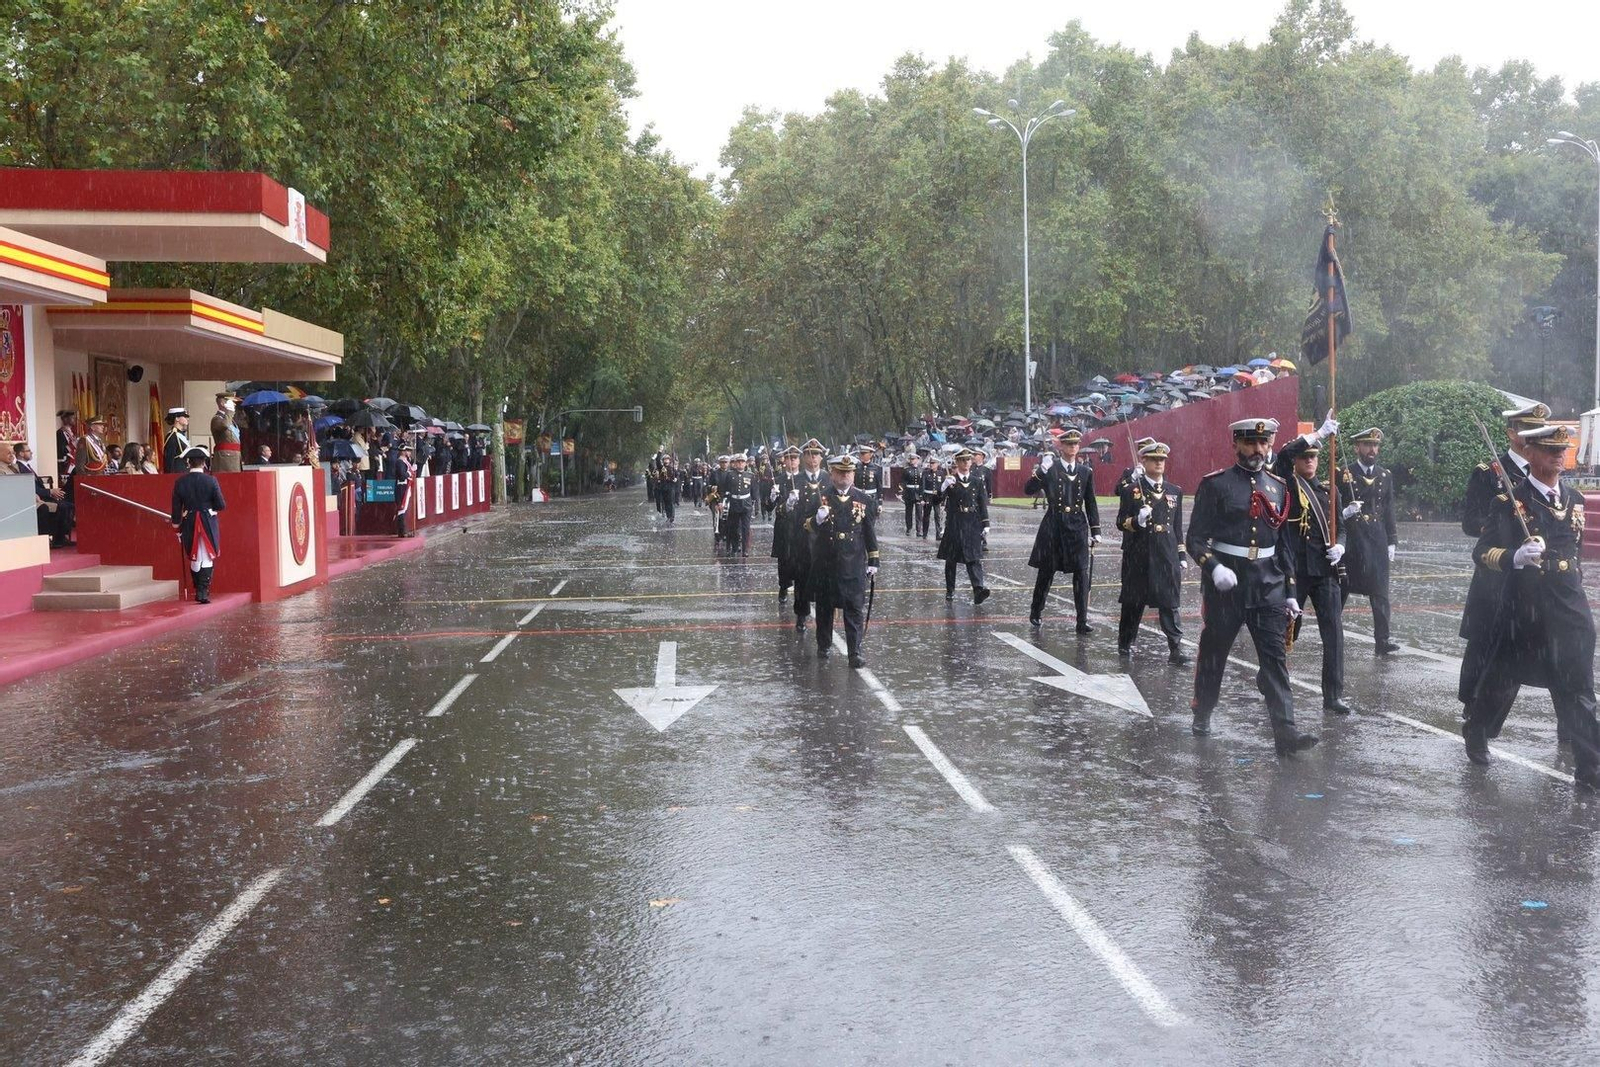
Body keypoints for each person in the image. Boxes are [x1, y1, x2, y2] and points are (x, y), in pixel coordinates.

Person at [1461, 424, 1600, 789]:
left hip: (1569, 608)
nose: (1558, 455)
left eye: (1562, 449)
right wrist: (1514, 556)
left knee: (1581, 688)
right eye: (1550, 449)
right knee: (1502, 680)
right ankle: (1477, 729)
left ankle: (1591, 769)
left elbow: (1575, 552)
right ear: (1532, 454)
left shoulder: (1575, 500)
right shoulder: (1510, 502)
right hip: (1527, 608)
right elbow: (1482, 553)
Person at [1187, 417, 1318, 756]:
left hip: (1267, 586)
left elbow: (1284, 544)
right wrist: (1213, 567)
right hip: (1226, 587)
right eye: (1250, 443)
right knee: (1214, 653)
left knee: (1275, 660)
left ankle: (1285, 732)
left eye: (1263, 443)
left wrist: (1290, 591)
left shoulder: (1278, 485)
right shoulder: (1215, 485)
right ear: (1236, 444)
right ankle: (1203, 711)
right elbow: (1195, 539)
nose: (1258, 450)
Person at [1458, 401, 1549, 724]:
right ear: (1512, 434)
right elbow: (1470, 522)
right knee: (1483, 641)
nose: (1532, 437)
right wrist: (1501, 528)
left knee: (1527, 644)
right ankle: (1472, 704)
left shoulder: (1543, 474)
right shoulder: (1489, 473)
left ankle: (1568, 723)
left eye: (1537, 431)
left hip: (1531, 577)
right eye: (1527, 430)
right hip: (1495, 572)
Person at [1272, 413, 1349, 713]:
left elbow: (1341, 527)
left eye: (1313, 458)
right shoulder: (1288, 485)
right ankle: (1273, 679)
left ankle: (1333, 695)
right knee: (1286, 631)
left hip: (1325, 572)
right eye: (1304, 458)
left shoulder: (1330, 492)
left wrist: (1341, 546)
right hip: (1294, 571)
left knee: (1333, 634)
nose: (1309, 462)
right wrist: (1317, 433)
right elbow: (1281, 455)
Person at [1114, 441, 1188, 664]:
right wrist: (1137, 521)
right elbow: (1120, 522)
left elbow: (1177, 527)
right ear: (1143, 461)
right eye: (1154, 459)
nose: (1159, 462)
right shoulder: (1131, 491)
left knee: (1169, 602)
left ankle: (1175, 648)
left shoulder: (1175, 491)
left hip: (1166, 553)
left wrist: (1181, 555)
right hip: (1139, 553)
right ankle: (1125, 643)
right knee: (1133, 602)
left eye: (1162, 459)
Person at [803, 452, 880, 667]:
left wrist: (874, 560)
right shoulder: (820, 496)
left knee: (854, 608)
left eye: (848, 472)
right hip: (827, 561)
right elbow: (806, 525)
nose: (845, 476)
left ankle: (855, 651)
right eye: (840, 472)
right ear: (832, 473)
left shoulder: (864, 500)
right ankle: (824, 645)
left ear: (853, 474)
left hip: (854, 562)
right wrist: (817, 519)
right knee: (826, 608)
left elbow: (869, 533)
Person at [1024, 429, 1099, 631]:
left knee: (1081, 574)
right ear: (1061, 447)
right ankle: (1036, 611)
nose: (1072, 447)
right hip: (1054, 524)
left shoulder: (1085, 472)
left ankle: (1082, 620)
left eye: (1075, 444)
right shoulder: (1051, 468)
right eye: (1068, 444)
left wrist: (1096, 529)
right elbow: (1028, 489)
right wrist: (1041, 472)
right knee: (1046, 572)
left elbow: (1090, 502)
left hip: (1076, 525)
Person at [1339, 427, 1399, 655]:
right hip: (1352, 537)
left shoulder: (1385, 475)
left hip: (1376, 539)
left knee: (1380, 591)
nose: (1372, 449)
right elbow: (1332, 506)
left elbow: (1389, 509)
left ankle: (1382, 640)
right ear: (1357, 448)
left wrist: (1392, 541)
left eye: (1375, 445)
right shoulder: (1344, 473)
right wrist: (1345, 512)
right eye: (1367, 445)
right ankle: (1333, 632)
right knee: (1342, 588)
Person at [935, 447, 991, 604]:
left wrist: (985, 523)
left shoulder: (977, 481)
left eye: (968, 459)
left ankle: (978, 589)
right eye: (962, 460)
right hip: (955, 522)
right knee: (951, 559)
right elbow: (935, 501)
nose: (966, 462)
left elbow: (982, 504)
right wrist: (943, 487)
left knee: (974, 558)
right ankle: (950, 590)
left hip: (972, 522)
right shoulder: (950, 480)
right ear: (957, 462)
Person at [170, 446, 224, 604]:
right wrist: (210, 509)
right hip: (207, 520)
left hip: (189, 522)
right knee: (207, 556)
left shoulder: (180, 482)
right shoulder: (211, 480)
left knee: (194, 556)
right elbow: (221, 505)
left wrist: (176, 527)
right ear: (204, 463)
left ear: (188, 463)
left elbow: (176, 509)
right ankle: (203, 591)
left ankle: (197, 588)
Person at [790, 439, 829, 630]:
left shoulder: (828, 478)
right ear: (803, 457)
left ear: (821, 457)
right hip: (802, 536)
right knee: (802, 577)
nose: (812, 458)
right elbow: (785, 512)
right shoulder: (795, 480)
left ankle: (824, 614)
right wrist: (790, 504)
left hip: (824, 537)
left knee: (824, 577)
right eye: (809, 454)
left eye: (816, 454)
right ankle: (801, 614)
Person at [14, 442, 73, 547]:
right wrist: (50, 492)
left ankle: (62, 536)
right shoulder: (19, 468)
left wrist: (52, 493)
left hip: (44, 495)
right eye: (28, 451)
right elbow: (31, 488)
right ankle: (57, 539)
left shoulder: (27, 466)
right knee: (63, 506)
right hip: (37, 498)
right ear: (21, 453)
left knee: (69, 505)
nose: (31, 453)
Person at [770, 445, 802, 602]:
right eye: (789, 458)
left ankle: (800, 590)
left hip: (801, 525)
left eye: (795, 458)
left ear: (799, 460)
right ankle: (783, 586)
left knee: (800, 558)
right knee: (784, 559)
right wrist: (772, 497)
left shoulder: (804, 479)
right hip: (784, 524)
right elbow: (769, 507)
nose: (792, 461)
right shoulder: (778, 479)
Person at [722, 451, 756, 556]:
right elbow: (726, 489)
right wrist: (724, 502)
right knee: (734, 527)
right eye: (738, 462)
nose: (740, 464)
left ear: (745, 464)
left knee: (746, 527)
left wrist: (755, 504)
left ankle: (745, 549)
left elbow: (754, 491)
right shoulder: (730, 475)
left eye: (742, 462)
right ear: (735, 463)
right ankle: (735, 547)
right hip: (734, 503)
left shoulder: (750, 475)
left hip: (746, 504)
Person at [390, 442, 417, 537]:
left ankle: (403, 530)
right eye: (408, 451)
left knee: (404, 508)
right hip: (401, 487)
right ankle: (402, 531)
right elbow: (402, 476)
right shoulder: (400, 462)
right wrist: (410, 472)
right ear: (403, 451)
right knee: (401, 508)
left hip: (405, 486)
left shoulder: (405, 461)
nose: (409, 453)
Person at [74, 415, 112, 483]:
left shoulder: (99, 441)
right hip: (90, 477)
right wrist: (84, 479)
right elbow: (80, 463)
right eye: (100, 425)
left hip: (101, 476)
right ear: (92, 427)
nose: (103, 427)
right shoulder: (84, 440)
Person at [854, 441, 885, 519]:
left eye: (864, 454)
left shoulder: (876, 468)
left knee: (870, 522)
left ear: (870, 455)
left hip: (871, 498)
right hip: (858, 497)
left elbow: (879, 486)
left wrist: (880, 503)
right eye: (861, 454)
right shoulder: (856, 467)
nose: (861, 456)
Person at [917, 451, 943, 539]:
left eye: (933, 463)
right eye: (930, 463)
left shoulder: (941, 473)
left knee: (937, 516)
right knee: (926, 516)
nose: (931, 465)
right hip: (928, 497)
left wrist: (942, 498)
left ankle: (938, 534)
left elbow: (942, 487)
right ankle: (925, 533)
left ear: (937, 464)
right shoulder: (926, 473)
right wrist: (922, 498)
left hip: (937, 498)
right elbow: (922, 486)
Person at [55, 410, 79, 500]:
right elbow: (61, 450)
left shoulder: (71, 432)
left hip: (73, 462)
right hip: (65, 464)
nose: (74, 420)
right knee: (66, 487)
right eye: (72, 418)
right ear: (65, 419)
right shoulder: (60, 433)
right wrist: (72, 445)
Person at [162, 408, 192, 473]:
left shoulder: (181, 435)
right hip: (177, 473)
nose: (187, 419)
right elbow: (169, 460)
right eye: (184, 416)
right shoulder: (172, 436)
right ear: (177, 418)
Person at [899, 450, 921, 535]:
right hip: (909, 492)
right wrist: (901, 493)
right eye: (911, 459)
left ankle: (919, 530)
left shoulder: (921, 470)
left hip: (918, 492)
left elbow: (922, 483)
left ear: (917, 460)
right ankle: (909, 528)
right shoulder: (906, 470)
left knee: (919, 512)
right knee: (909, 512)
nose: (912, 460)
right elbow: (902, 483)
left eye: (913, 459)